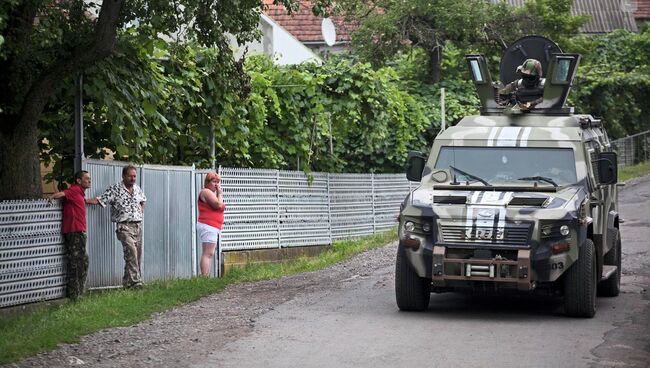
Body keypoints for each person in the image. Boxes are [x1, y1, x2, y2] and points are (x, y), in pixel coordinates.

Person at [48, 170, 99, 300]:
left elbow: (76, 201)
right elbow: (63, 193)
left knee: (83, 261)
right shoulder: (75, 190)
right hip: (74, 232)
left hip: (79, 232)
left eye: (89, 178)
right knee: (76, 263)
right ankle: (74, 295)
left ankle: (78, 292)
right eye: (86, 178)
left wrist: (87, 201)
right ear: (78, 181)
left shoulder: (80, 194)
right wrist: (52, 196)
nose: (89, 180)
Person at [95, 165, 147, 289]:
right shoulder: (115, 189)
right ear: (123, 176)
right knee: (132, 252)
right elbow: (101, 200)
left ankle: (127, 283)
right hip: (124, 226)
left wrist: (141, 210)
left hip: (137, 225)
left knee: (135, 256)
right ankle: (136, 282)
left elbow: (143, 200)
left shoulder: (137, 189)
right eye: (130, 176)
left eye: (134, 176)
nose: (133, 178)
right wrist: (84, 200)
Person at [197, 172, 225, 276]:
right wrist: (220, 194)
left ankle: (205, 276)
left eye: (218, 182)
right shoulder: (206, 192)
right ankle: (204, 277)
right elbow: (218, 205)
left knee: (209, 253)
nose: (216, 184)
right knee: (208, 253)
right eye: (214, 182)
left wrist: (218, 193)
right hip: (208, 225)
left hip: (212, 226)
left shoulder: (211, 193)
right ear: (208, 182)